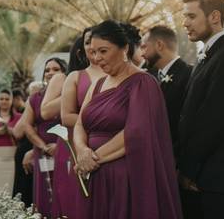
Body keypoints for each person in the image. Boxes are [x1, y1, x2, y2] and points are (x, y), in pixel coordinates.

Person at [74, 20, 182, 219]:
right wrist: (81, 151)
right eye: (93, 52)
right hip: (94, 174)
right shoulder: (97, 84)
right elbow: (80, 123)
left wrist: (92, 159)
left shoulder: (143, 82)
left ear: (124, 48)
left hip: (124, 175)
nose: (96, 58)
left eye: (103, 51)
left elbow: (136, 132)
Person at [178, 0, 224, 218]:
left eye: (191, 16)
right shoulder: (211, 55)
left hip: (219, 179)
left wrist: (188, 169)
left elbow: (214, 121)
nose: (185, 23)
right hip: (207, 177)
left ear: (214, 17)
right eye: (184, 17)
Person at [44, 28, 102, 219]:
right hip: (77, 146)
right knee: (76, 199)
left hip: (112, 145)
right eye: (87, 42)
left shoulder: (120, 75)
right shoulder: (75, 77)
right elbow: (66, 116)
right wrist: (101, 121)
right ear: (82, 48)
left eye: (97, 40)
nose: (93, 45)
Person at [18, 58, 66, 217]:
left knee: (64, 192)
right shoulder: (35, 98)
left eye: (56, 69)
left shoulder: (71, 94)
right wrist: (43, 147)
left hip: (67, 150)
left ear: (64, 72)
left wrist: (61, 146)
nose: (50, 73)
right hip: (42, 152)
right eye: (47, 70)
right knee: (45, 193)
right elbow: (27, 125)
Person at [141, 25, 192, 147]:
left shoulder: (189, 75)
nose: (142, 54)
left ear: (159, 45)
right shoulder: (149, 76)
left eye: (144, 47)